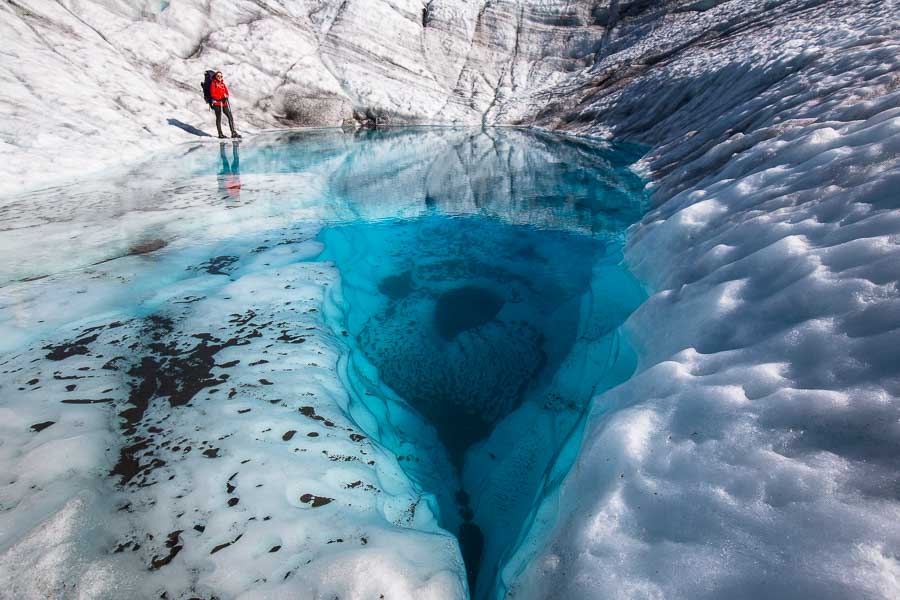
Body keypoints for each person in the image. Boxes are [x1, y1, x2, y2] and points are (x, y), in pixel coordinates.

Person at [210, 71, 241, 139]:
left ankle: (233, 132)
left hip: (224, 103)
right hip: (217, 103)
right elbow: (212, 94)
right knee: (219, 118)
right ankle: (220, 134)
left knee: (230, 116)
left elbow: (227, 92)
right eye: (218, 76)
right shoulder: (213, 83)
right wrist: (221, 97)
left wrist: (226, 96)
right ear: (215, 76)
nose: (220, 77)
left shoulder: (223, 84)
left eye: (221, 76)